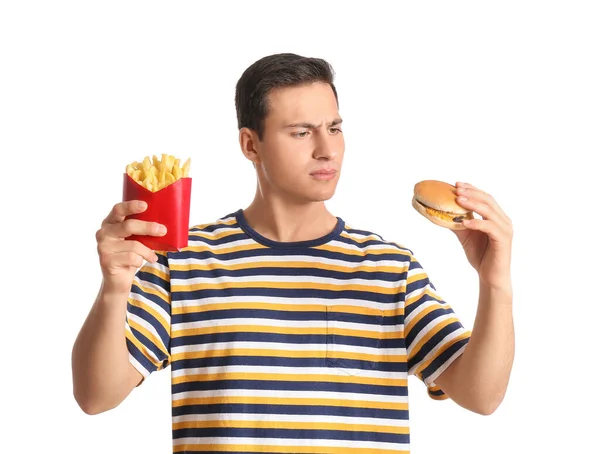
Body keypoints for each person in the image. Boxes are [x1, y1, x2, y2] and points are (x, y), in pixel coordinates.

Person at [72, 53, 514, 453]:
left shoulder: (389, 267)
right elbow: (95, 396)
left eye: (335, 128)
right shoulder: (183, 261)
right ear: (250, 145)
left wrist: (495, 280)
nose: (327, 149)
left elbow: (481, 396)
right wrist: (114, 287)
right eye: (302, 132)